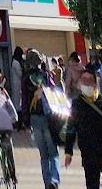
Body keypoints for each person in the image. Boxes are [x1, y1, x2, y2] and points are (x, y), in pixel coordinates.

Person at [63, 72, 102, 189]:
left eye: (89, 81)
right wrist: (68, 152)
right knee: (92, 185)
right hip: (88, 153)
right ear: (79, 84)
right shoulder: (77, 104)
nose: (86, 83)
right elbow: (71, 129)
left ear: (96, 84)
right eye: (83, 80)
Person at [28, 59, 69, 187]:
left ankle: (47, 182)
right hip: (49, 118)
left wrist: (24, 121)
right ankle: (54, 180)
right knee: (53, 152)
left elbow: (24, 102)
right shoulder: (48, 78)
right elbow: (60, 97)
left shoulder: (26, 79)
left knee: (43, 155)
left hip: (34, 118)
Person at [8, 51, 25, 128]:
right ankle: (19, 123)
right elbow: (20, 74)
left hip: (16, 84)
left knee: (16, 102)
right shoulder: (16, 63)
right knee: (18, 103)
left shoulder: (13, 62)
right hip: (18, 84)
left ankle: (18, 123)